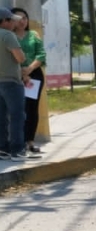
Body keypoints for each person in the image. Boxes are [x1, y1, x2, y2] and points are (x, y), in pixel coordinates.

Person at [11, 8, 47, 155]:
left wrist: (29, 69)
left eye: (24, 18)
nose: (22, 21)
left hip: (35, 75)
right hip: (14, 75)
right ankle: (17, 143)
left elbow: (41, 54)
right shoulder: (9, 36)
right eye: (18, 18)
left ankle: (30, 142)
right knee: (18, 110)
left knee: (32, 109)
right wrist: (22, 71)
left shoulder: (33, 35)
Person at [0, 7, 30, 161]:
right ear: (4, 21)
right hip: (11, 82)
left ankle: (2, 149)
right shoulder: (8, 35)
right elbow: (20, 58)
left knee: (1, 117)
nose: (14, 23)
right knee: (17, 116)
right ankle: (17, 150)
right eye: (11, 20)